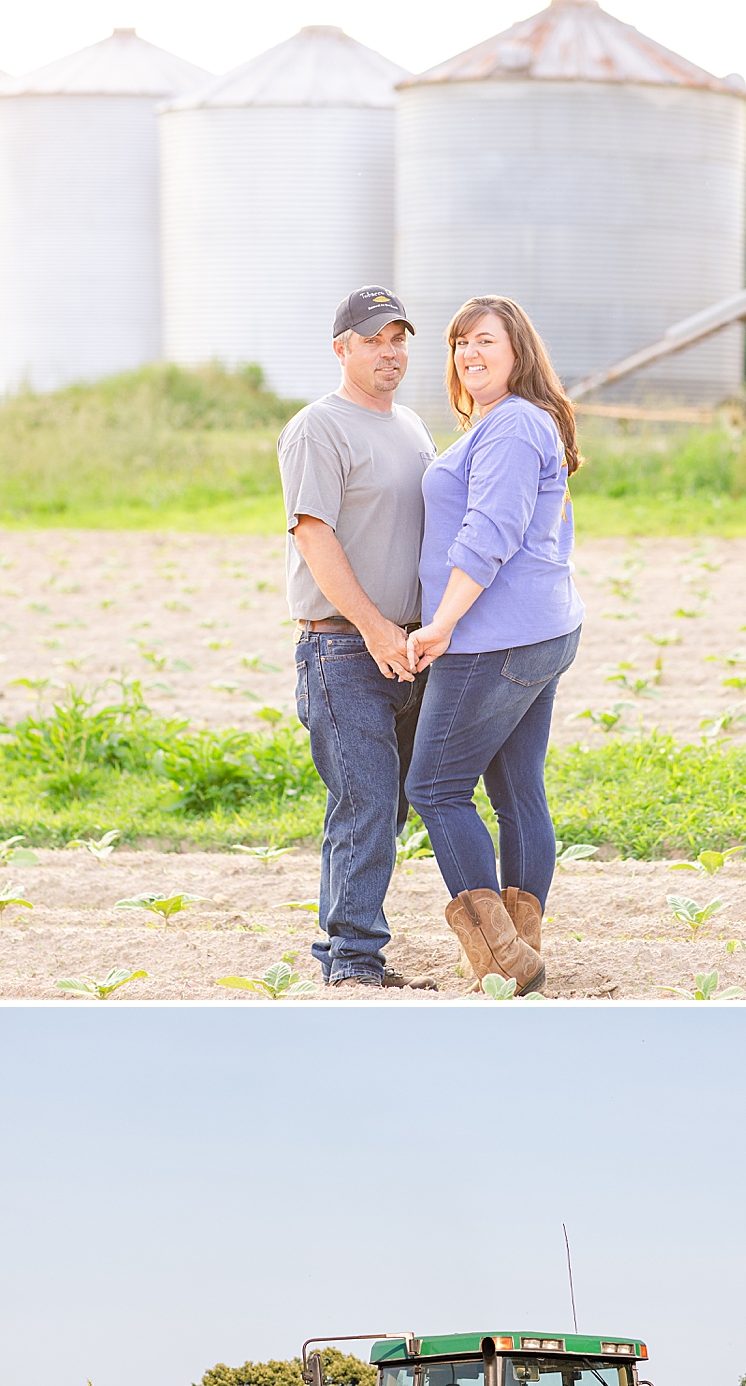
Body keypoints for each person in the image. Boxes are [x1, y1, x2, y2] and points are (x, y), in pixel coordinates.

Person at [404, 296, 586, 997]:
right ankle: (522, 944)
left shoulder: (510, 427)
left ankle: (501, 957)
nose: (468, 354)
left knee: (435, 786)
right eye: (458, 343)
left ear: (518, 352)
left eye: (484, 341)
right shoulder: (516, 421)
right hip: (541, 629)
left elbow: (490, 535)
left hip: (495, 638)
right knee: (516, 791)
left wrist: (443, 622)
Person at [277, 287, 438, 989]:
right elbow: (313, 534)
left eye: (399, 338)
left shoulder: (412, 427)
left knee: (393, 803)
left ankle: (353, 950)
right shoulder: (319, 428)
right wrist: (374, 629)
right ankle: (351, 961)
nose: (390, 351)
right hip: (343, 649)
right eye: (374, 339)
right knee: (365, 800)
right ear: (341, 348)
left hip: (409, 649)